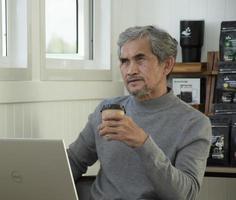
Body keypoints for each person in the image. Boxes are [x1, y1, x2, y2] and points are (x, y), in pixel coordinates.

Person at [67, 25, 211, 200]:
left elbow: (186, 194)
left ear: (167, 65)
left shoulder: (194, 123)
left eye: (140, 59)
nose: (130, 70)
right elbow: (72, 163)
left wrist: (143, 143)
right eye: (124, 61)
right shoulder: (106, 110)